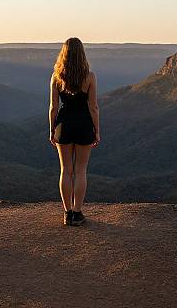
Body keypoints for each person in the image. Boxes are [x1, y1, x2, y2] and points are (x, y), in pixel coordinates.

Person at [49, 37, 100, 226]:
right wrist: (97, 130)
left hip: (64, 125)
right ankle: (77, 213)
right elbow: (93, 107)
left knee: (65, 170)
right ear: (82, 54)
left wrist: (52, 129)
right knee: (80, 171)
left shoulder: (56, 76)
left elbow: (53, 107)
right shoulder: (90, 77)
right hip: (84, 125)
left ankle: (66, 212)